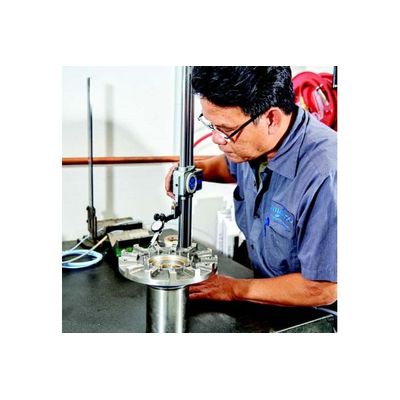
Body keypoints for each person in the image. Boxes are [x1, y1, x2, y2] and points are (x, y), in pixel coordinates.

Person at [165, 66, 337, 307]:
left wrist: (232, 289)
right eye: (212, 126)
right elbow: (230, 168)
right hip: (263, 288)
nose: (216, 139)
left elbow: (322, 289)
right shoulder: (253, 145)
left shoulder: (325, 176)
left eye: (225, 130)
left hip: (313, 311)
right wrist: (193, 172)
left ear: (271, 119)